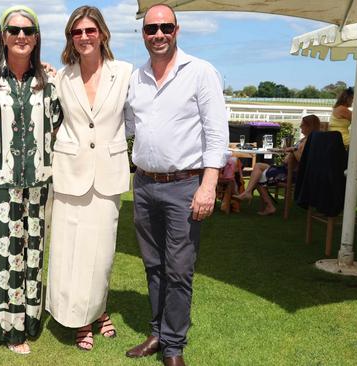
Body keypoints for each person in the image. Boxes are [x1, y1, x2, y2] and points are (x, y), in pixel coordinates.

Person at [123, 5, 228, 366]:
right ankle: (157, 332)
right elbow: (128, 128)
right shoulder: (136, 78)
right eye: (151, 28)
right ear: (143, 34)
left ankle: (173, 347)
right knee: (153, 265)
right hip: (144, 184)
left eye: (165, 27)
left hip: (184, 186)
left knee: (179, 269)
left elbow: (217, 134)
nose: (158, 34)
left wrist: (208, 185)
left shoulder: (199, 72)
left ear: (176, 29)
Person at [0, 5, 62, 355]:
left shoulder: (50, 83)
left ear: (36, 37)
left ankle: (29, 321)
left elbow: (58, 127)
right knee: (1, 257)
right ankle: (6, 329)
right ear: (3, 36)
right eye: (14, 30)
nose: (21, 36)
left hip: (39, 186)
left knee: (33, 255)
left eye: (28, 31)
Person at [45, 5, 132, 351]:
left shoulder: (124, 73)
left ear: (103, 33)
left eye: (89, 30)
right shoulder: (60, 77)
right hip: (70, 173)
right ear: (71, 37)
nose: (84, 37)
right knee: (69, 250)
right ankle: (78, 317)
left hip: (108, 175)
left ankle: (98, 309)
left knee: (102, 251)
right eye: (77, 32)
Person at [233, 114, 321, 215]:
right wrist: (286, 151)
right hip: (285, 169)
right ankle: (248, 192)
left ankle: (268, 205)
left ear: (310, 126)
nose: (300, 127)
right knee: (258, 166)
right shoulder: (305, 139)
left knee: (257, 177)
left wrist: (292, 150)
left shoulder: (309, 142)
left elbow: (303, 159)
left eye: (302, 125)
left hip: (290, 174)